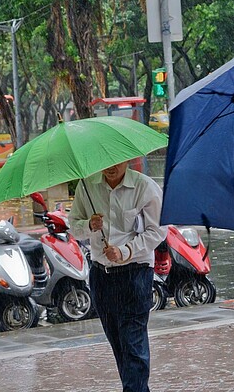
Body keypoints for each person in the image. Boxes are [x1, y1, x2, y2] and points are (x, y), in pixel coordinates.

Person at [68, 161, 167, 392]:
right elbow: (74, 225)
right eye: (105, 161)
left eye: (117, 161)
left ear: (128, 159)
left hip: (135, 273)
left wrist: (125, 251)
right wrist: (89, 225)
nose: (110, 166)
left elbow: (158, 231)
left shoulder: (145, 187)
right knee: (119, 345)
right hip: (101, 276)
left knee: (133, 344)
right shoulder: (87, 186)